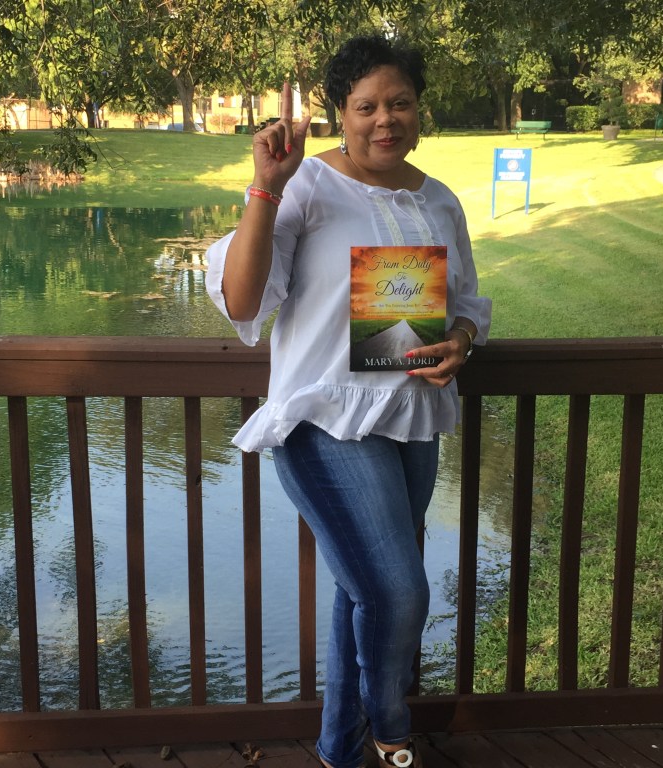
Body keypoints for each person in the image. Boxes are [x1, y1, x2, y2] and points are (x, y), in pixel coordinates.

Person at [205, 34, 491, 768]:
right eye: (366, 107)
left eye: (400, 103)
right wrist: (266, 185)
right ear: (342, 113)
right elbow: (243, 300)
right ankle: (393, 733)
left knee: (362, 589)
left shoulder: (439, 200)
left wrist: (459, 340)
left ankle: (339, 748)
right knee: (397, 592)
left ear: (419, 110)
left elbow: (465, 302)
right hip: (324, 421)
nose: (385, 119)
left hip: (410, 421)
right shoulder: (306, 184)